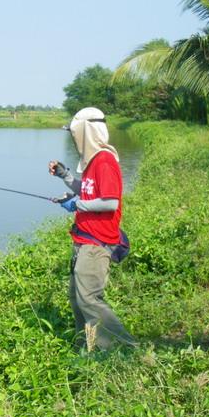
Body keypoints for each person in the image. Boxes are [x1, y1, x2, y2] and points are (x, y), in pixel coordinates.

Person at [49, 107, 135, 351]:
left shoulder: (104, 161)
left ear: (85, 132)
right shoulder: (91, 162)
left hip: (97, 242)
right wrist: (65, 176)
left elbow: (110, 202)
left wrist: (75, 204)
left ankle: (125, 350)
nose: (72, 138)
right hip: (83, 239)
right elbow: (87, 191)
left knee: (89, 300)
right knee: (78, 300)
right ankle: (85, 349)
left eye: (74, 133)